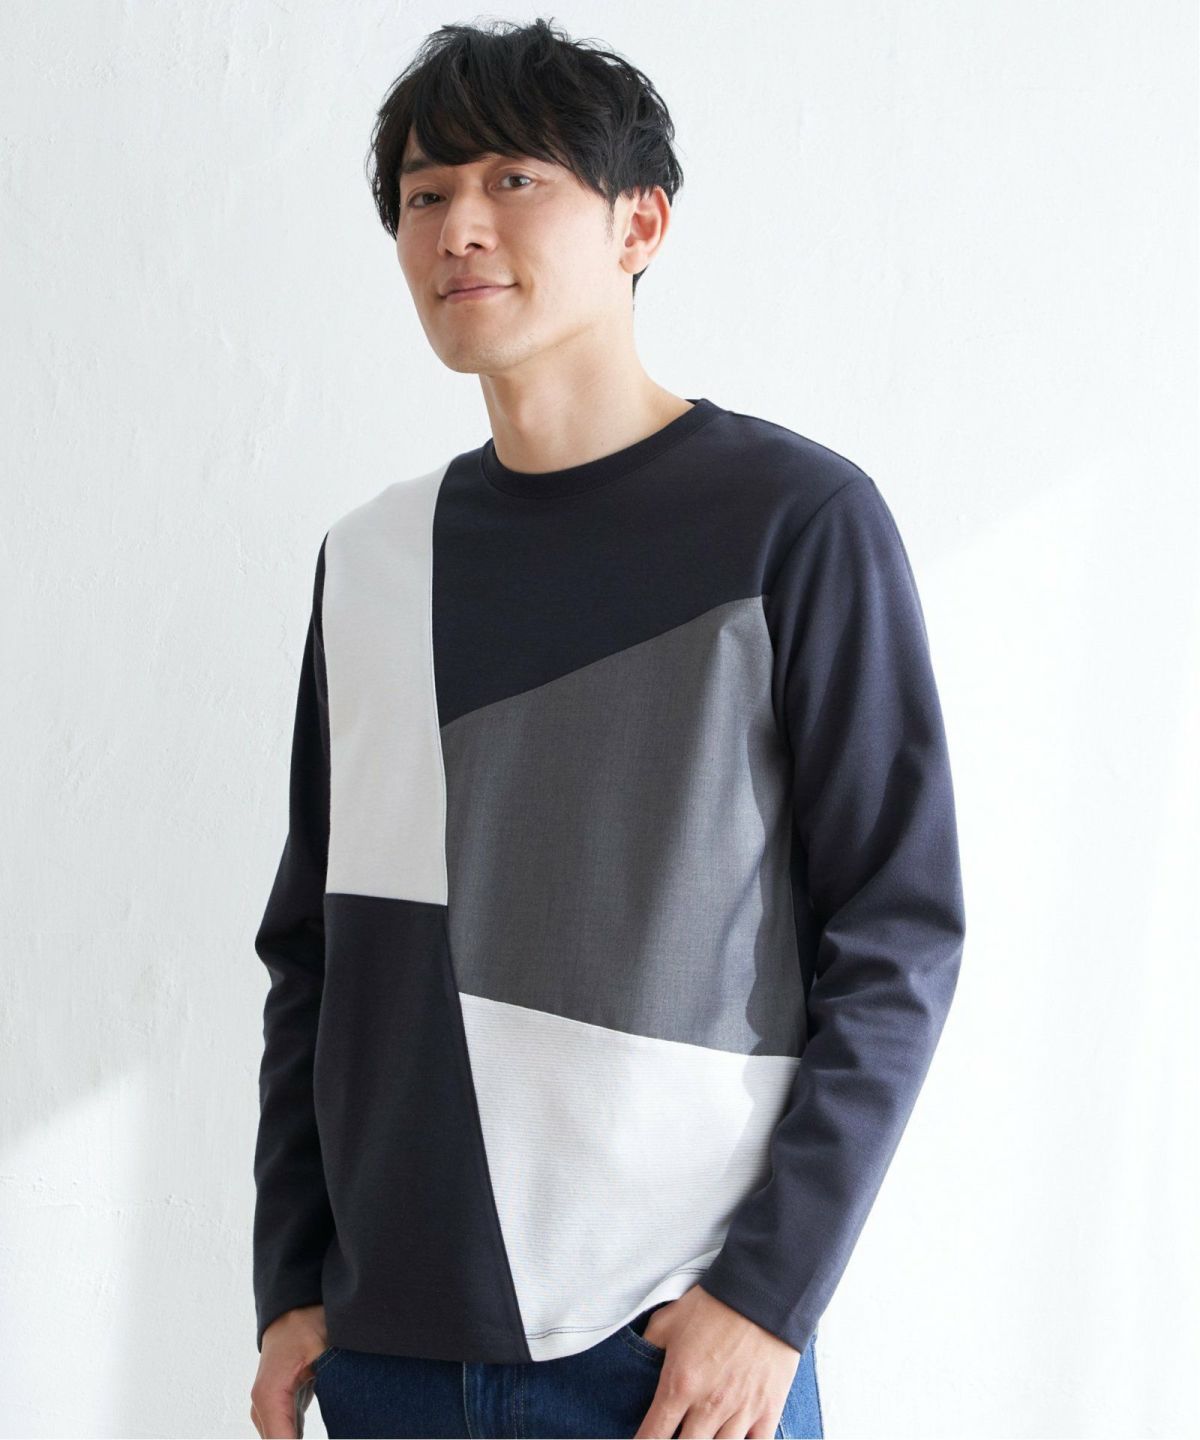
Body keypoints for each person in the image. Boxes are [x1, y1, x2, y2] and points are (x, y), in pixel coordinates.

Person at [248, 17, 965, 1440]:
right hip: (388, 1354)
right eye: (423, 194)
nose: (457, 227)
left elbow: (896, 932)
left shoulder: (795, 522)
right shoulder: (374, 559)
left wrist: (768, 1300)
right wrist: (292, 1283)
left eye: (513, 180)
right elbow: (318, 949)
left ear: (640, 223)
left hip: (666, 1362)